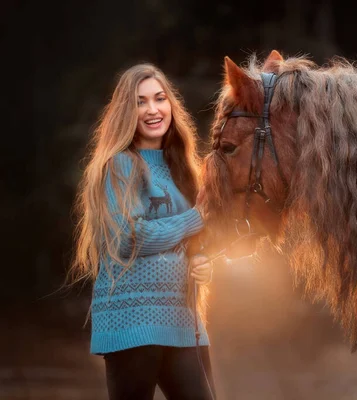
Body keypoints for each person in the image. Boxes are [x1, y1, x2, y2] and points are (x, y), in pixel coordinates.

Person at [70, 63, 215, 400]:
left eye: (160, 98)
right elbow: (128, 239)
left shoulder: (182, 168)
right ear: (126, 112)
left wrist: (203, 262)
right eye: (140, 102)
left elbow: (194, 242)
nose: (152, 109)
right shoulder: (120, 164)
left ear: (171, 105)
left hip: (184, 322)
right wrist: (195, 218)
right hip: (132, 322)